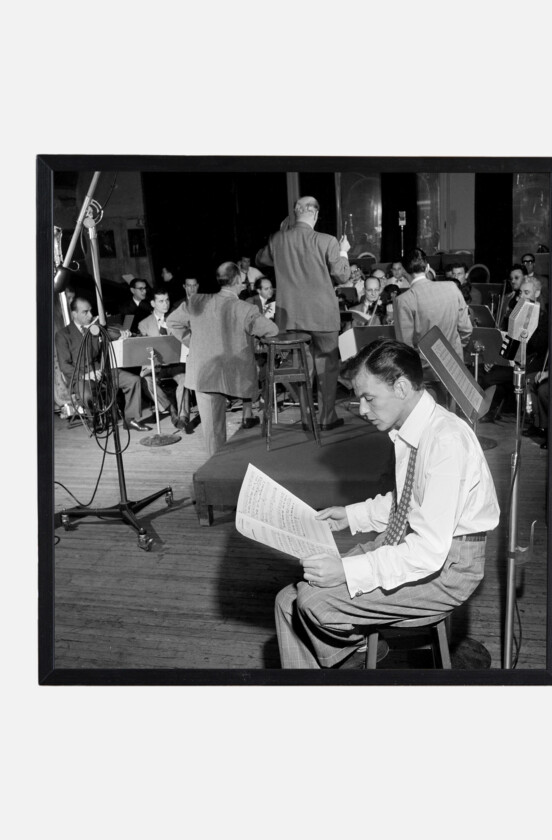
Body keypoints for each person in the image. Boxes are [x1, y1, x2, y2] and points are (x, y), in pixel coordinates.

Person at [274, 339, 500, 669]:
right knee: (287, 601)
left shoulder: (446, 441)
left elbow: (427, 552)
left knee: (311, 602)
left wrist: (347, 570)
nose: (362, 409)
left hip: (449, 568)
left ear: (402, 387)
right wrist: (350, 515)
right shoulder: (412, 428)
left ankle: (356, 668)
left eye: (369, 398)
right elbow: (407, 500)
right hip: (408, 542)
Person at [256, 195, 351, 430]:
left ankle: (307, 417)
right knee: (327, 368)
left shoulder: (278, 239)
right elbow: (343, 275)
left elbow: (260, 259)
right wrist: (344, 251)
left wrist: (282, 232)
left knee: (300, 370)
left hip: (291, 317)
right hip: (323, 316)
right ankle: (327, 418)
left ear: (295, 213)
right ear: (316, 214)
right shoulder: (328, 241)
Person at [168, 261, 278, 456]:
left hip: (204, 371)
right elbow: (271, 330)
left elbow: (172, 322)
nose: (244, 284)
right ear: (235, 280)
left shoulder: (196, 301)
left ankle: (215, 469)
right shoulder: (245, 308)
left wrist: (193, 342)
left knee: (212, 434)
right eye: (243, 281)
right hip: (235, 372)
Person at [55, 296, 150, 431]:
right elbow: (65, 366)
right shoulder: (63, 334)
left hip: (101, 370)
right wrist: (87, 375)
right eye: (85, 312)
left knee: (133, 380)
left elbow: (112, 335)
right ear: (74, 314)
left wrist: (123, 335)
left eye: (90, 311)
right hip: (81, 377)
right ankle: (94, 418)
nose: (90, 315)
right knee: (87, 395)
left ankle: (130, 419)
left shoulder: (95, 329)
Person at [394, 250, 472, 385]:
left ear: (403, 271)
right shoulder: (452, 287)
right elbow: (466, 329)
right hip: (455, 365)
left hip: (425, 370)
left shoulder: (403, 300)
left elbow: (405, 347)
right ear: (428, 267)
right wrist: (455, 349)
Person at [480, 277, 548, 423]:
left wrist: (527, 331)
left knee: (496, 377)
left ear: (537, 293)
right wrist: (494, 359)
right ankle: (490, 410)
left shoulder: (544, 316)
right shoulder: (515, 313)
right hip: (512, 360)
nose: (522, 296)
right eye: (521, 293)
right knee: (488, 375)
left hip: (531, 361)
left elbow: (539, 346)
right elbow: (503, 339)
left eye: (526, 292)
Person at [138, 288, 191, 431]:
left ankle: (183, 417)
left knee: (185, 380)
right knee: (146, 381)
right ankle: (171, 408)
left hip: (175, 364)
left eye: (167, 300)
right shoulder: (144, 324)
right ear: (153, 303)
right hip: (157, 366)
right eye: (161, 301)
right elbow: (142, 349)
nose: (165, 304)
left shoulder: (176, 318)